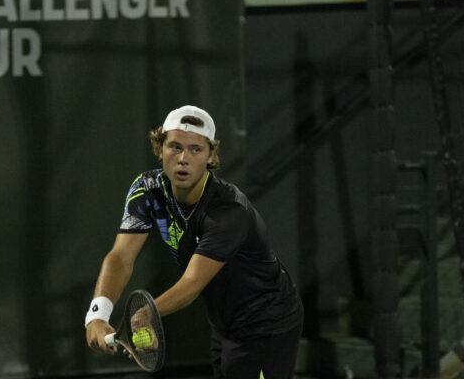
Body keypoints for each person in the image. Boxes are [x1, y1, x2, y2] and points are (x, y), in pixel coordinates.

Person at [85, 105, 304, 379]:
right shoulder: (146, 189)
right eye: (175, 147)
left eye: (195, 150)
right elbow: (121, 257)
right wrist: (97, 314)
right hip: (224, 323)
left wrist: (144, 315)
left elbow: (192, 284)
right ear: (159, 149)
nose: (183, 159)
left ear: (211, 156)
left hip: (267, 324)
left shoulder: (228, 212)